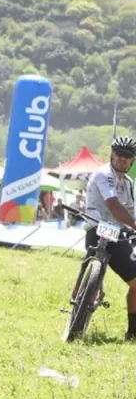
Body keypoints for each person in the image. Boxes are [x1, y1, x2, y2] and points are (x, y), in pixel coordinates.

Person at [83, 136, 136, 340]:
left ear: (132, 160)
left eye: (127, 156)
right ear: (112, 154)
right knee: (89, 265)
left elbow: (130, 212)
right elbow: (114, 206)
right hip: (97, 228)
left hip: (116, 232)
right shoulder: (103, 174)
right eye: (119, 154)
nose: (122, 159)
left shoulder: (129, 183)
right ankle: (79, 298)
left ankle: (133, 332)